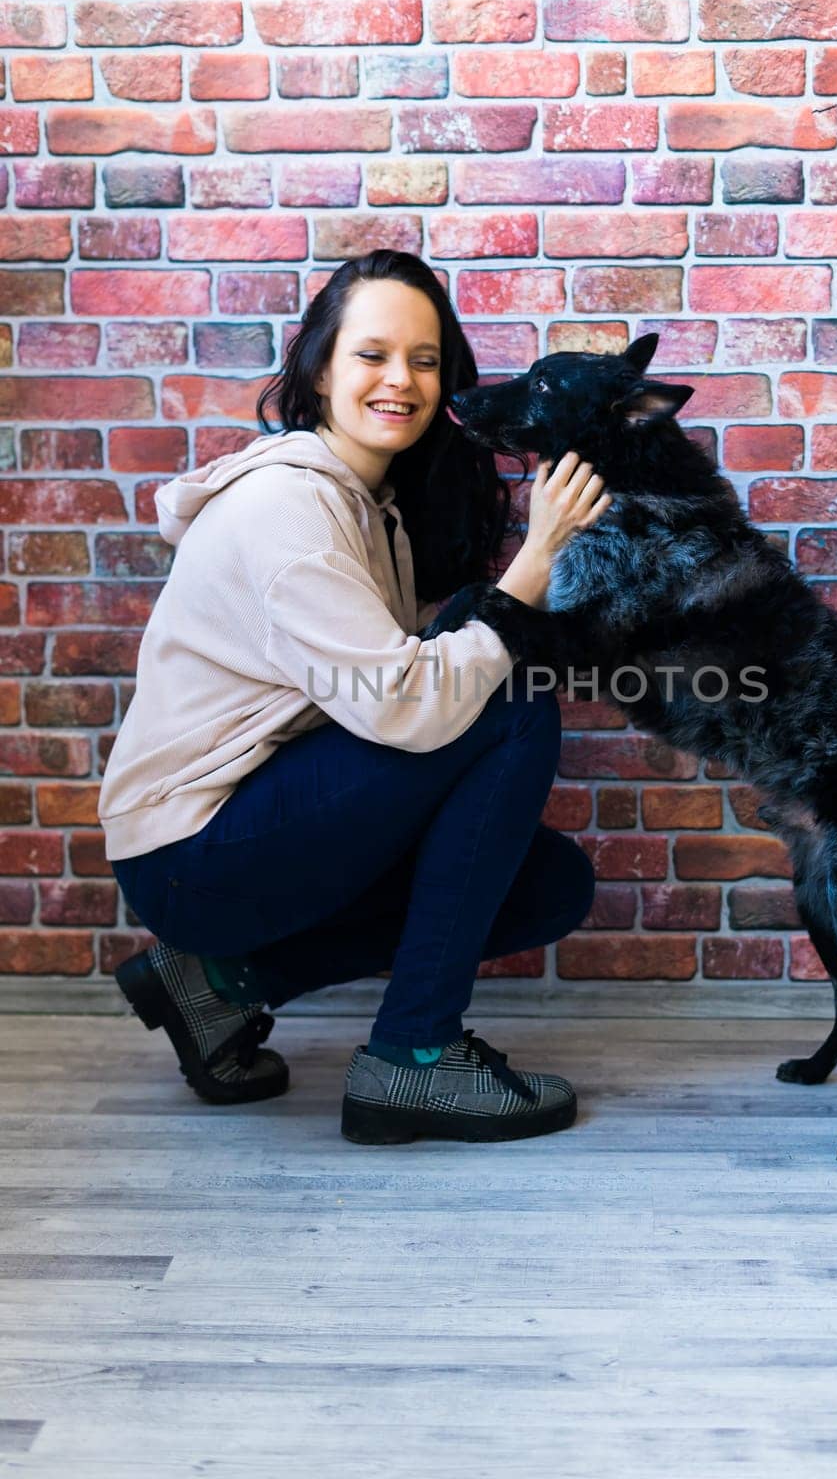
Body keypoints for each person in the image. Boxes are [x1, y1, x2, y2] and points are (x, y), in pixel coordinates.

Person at [100, 249, 613, 1145]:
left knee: (545, 887)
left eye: (423, 360)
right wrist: (534, 561)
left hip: (245, 826)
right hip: (192, 849)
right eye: (372, 354)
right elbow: (403, 709)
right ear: (320, 368)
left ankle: (213, 985)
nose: (400, 381)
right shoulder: (288, 515)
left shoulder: (366, 507)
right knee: (510, 691)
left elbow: (408, 665)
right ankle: (413, 1059)